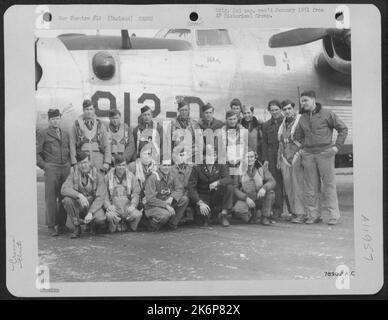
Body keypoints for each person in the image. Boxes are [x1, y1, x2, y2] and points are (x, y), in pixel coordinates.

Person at [294, 90, 348, 225]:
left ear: (313, 100)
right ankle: (314, 215)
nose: (303, 103)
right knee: (311, 186)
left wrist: (336, 147)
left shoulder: (327, 113)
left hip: (325, 153)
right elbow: (297, 136)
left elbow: (343, 129)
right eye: (302, 101)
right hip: (308, 155)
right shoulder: (302, 118)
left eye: (305, 100)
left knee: (329, 185)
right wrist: (302, 149)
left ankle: (334, 215)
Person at [36, 108, 71, 236]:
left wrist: (69, 164)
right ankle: (51, 226)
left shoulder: (66, 134)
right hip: (52, 168)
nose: (55, 121)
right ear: (49, 120)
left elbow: (69, 150)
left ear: (60, 119)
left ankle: (62, 225)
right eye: (53, 119)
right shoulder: (43, 133)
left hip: (65, 168)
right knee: (51, 197)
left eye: (57, 118)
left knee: (64, 196)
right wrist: (45, 166)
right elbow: (37, 153)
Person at [61, 152, 107, 239]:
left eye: (85, 162)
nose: (83, 165)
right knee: (67, 200)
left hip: (92, 205)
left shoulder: (97, 174)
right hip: (80, 204)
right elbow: (64, 189)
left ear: (89, 162)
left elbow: (100, 197)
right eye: (81, 163)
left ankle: (92, 225)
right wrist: (79, 195)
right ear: (78, 164)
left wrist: (91, 212)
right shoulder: (73, 173)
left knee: (100, 220)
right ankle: (77, 226)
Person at [188, 144, 234, 227]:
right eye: (209, 155)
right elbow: (191, 188)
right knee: (202, 221)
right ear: (204, 156)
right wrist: (200, 202)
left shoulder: (220, 165)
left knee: (229, 187)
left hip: (214, 196)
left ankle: (224, 214)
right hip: (202, 197)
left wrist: (218, 182)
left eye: (214, 155)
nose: (212, 157)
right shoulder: (197, 168)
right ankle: (211, 215)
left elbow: (229, 179)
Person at [277, 100, 307, 223]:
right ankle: (295, 212)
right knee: (289, 187)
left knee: (298, 186)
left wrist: (299, 154)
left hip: (297, 156)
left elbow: (307, 138)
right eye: (284, 109)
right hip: (285, 158)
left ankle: (302, 213)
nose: (287, 111)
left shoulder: (301, 120)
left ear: (293, 108)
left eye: (289, 108)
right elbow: (281, 143)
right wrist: (279, 159)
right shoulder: (283, 123)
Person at [233, 149, 276, 225]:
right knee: (237, 209)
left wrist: (264, 188)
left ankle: (265, 216)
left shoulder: (261, 168)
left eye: (251, 156)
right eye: (247, 157)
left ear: (255, 158)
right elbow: (235, 188)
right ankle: (252, 216)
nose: (250, 159)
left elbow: (272, 181)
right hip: (247, 198)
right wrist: (245, 198)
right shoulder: (239, 170)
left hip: (260, 196)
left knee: (271, 193)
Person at [144, 159, 189, 231]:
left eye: (168, 165)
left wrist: (172, 197)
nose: (167, 167)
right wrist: (166, 205)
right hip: (153, 206)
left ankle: (172, 224)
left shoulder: (172, 175)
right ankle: (152, 224)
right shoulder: (153, 177)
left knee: (184, 199)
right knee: (165, 214)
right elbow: (150, 199)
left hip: (167, 202)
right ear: (159, 166)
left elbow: (179, 189)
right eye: (164, 165)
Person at [69, 99, 111, 172]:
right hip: (83, 160)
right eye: (87, 109)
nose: (89, 111)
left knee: (99, 180)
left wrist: (107, 162)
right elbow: (72, 144)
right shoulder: (76, 125)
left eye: (91, 109)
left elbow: (107, 144)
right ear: (83, 110)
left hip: (98, 158)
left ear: (94, 110)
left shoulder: (100, 125)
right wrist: (74, 163)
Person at [104, 155, 143, 232]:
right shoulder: (108, 177)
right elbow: (104, 194)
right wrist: (108, 206)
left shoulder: (131, 176)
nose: (121, 167)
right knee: (109, 216)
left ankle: (129, 227)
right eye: (119, 165)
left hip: (127, 208)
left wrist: (133, 206)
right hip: (114, 208)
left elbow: (136, 193)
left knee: (138, 215)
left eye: (123, 165)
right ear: (115, 165)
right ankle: (115, 227)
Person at [262, 99, 285, 221]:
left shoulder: (286, 122)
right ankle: (277, 209)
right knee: (276, 183)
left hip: (285, 153)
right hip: (271, 154)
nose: (275, 112)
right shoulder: (266, 125)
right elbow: (264, 143)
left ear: (280, 109)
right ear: (269, 111)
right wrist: (265, 159)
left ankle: (295, 210)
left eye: (277, 109)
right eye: (272, 110)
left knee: (288, 182)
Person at [128, 143, 158, 212]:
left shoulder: (156, 167)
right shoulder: (132, 166)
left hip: (150, 197)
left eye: (149, 153)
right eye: (145, 153)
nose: (147, 156)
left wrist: (149, 196)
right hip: (135, 197)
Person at [171, 148, 194, 224]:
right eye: (180, 155)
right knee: (184, 198)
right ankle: (174, 221)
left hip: (188, 193)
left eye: (184, 155)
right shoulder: (171, 169)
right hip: (175, 194)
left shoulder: (191, 168)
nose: (182, 157)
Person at [221, 110, 248, 176]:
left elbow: (244, 146)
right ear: (226, 119)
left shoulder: (242, 129)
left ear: (237, 119)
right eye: (230, 119)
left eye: (234, 119)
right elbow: (223, 147)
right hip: (228, 160)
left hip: (240, 159)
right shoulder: (223, 130)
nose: (232, 121)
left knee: (239, 179)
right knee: (230, 180)